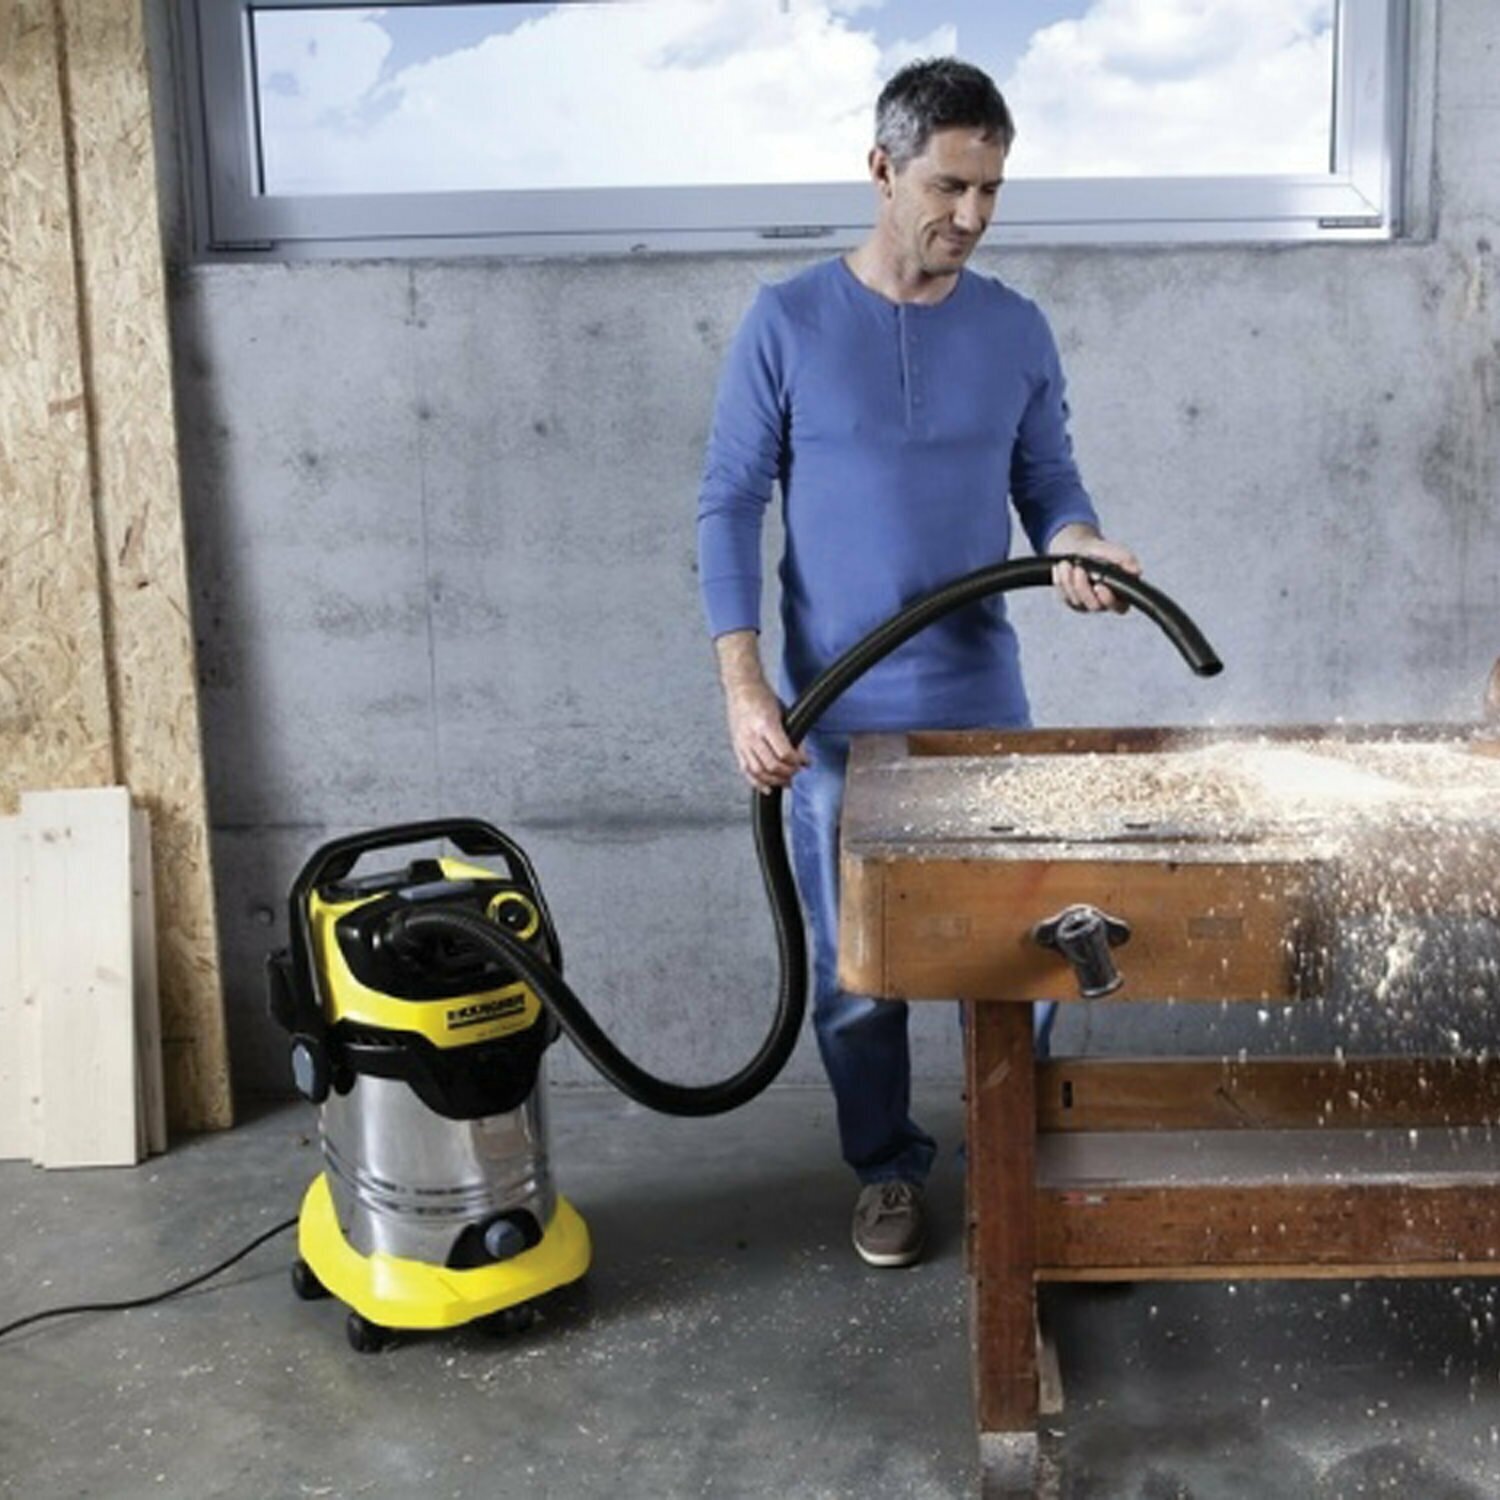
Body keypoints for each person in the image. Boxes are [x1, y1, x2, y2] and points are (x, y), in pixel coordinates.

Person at [695, 57, 1140, 1269]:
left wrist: (1077, 542)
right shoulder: (788, 323)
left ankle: (1014, 1164)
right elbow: (729, 503)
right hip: (837, 721)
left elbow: (1048, 484)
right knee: (861, 981)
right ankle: (888, 1169)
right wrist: (745, 687)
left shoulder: (1014, 329)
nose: (974, 214)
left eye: (992, 188)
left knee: (1025, 955)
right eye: (950, 185)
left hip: (981, 708)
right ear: (882, 171)